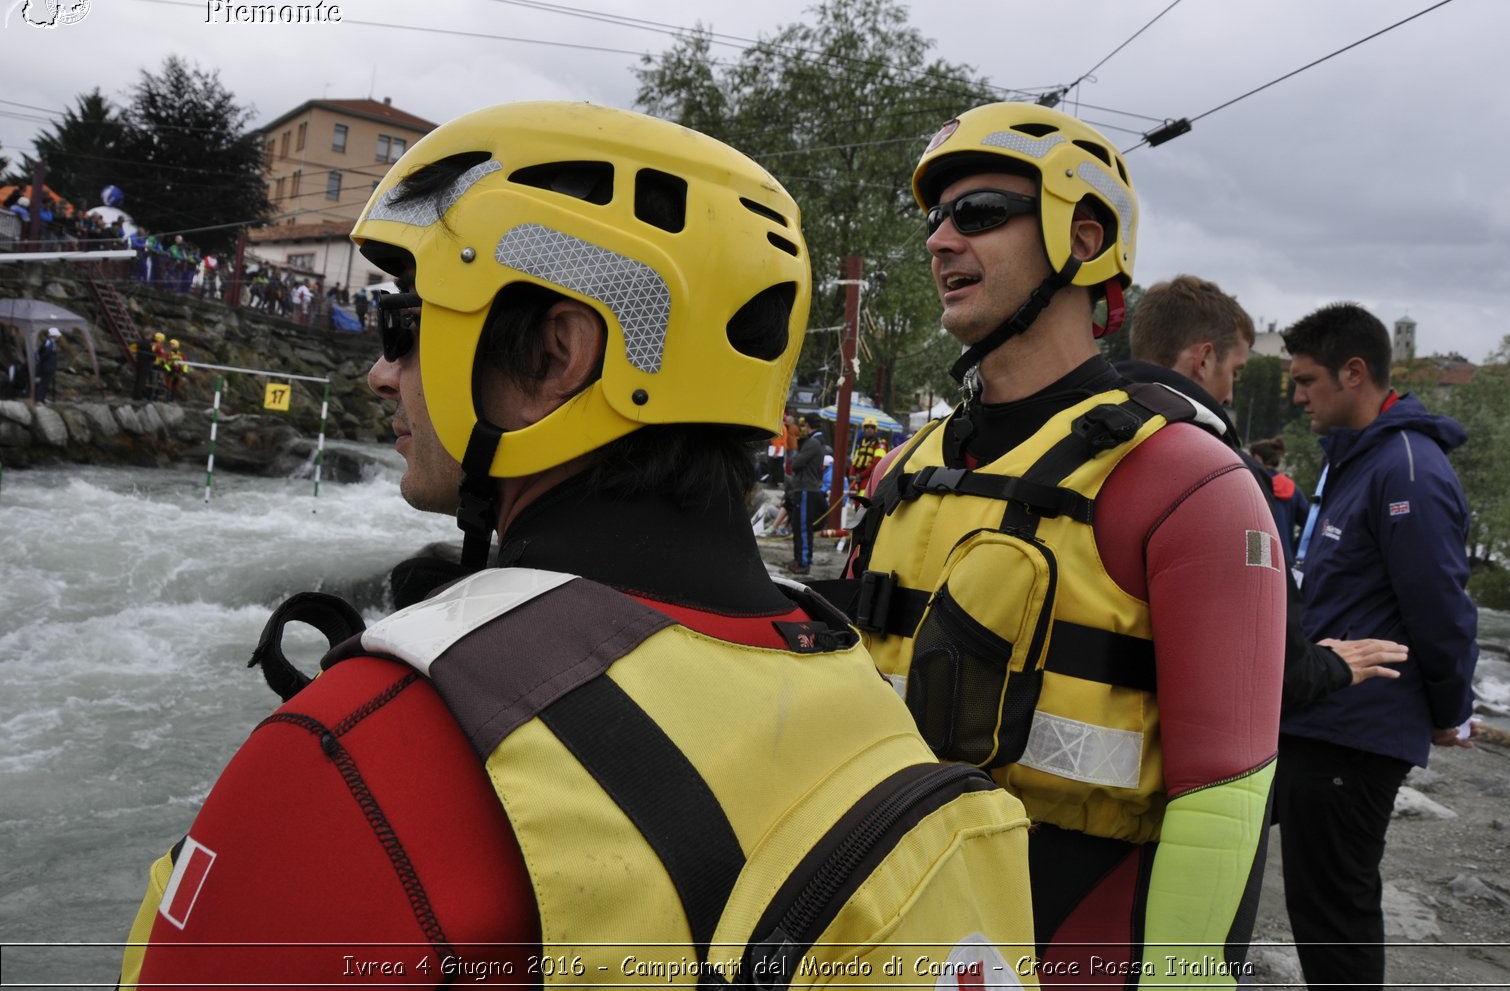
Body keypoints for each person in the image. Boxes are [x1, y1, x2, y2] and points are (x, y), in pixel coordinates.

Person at [120, 101, 1034, 988]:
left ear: (561, 357)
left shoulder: (362, 754)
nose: (379, 371)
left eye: (406, 327)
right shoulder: (866, 688)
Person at [848, 101, 1283, 984]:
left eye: (978, 215)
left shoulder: (1190, 484)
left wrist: (1183, 975)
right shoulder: (905, 467)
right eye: (935, 219)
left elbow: (1225, 796)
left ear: (1084, 241)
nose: (940, 242)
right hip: (887, 919)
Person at [1276, 302, 1479, 991]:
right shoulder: (1355, 460)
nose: (1297, 395)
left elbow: (1441, 605)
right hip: (1323, 714)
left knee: (1336, 914)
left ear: (1353, 372)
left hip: (1356, 732)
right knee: (1315, 902)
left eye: (1306, 380)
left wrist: (1451, 708)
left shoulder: (1407, 469)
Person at [1119, 274, 1407, 708]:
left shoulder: (1076, 429)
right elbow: (1266, 651)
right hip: (1153, 733)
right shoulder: (1216, 470)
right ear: (1203, 359)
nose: (1232, 392)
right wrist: (1331, 665)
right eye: (1235, 371)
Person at [1248, 436, 1309, 550]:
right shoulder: (1293, 488)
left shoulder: (1253, 484)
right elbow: (1310, 524)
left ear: (1257, 458)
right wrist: (1293, 549)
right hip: (1285, 556)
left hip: (1258, 555)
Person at [784, 414, 827, 575]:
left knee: (802, 527)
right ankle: (799, 558)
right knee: (797, 525)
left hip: (806, 489)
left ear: (808, 425)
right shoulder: (817, 442)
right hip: (805, 489)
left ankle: (803, 562)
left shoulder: (813, 443)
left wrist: (795, 451)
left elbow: (795, 463)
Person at [848, 417, 887, 490]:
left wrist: (861, 475)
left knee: (863, 498)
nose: (869, 429)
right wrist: (851, 474)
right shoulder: (861, 444)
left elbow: (878, 463)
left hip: (870, 478)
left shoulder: (880, 444)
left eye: (872, 427)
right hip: (857, 478)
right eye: (867, 427)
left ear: (875, 429)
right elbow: (855, 461)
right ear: (864, 429)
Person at [34, 326, 60, 402]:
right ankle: (39, 399)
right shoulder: (49, 343)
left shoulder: (52, 343)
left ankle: (42, 398)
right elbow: (44, 355)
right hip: (46, 367)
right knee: (43, 384)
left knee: (45, 383)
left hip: (49, 367)